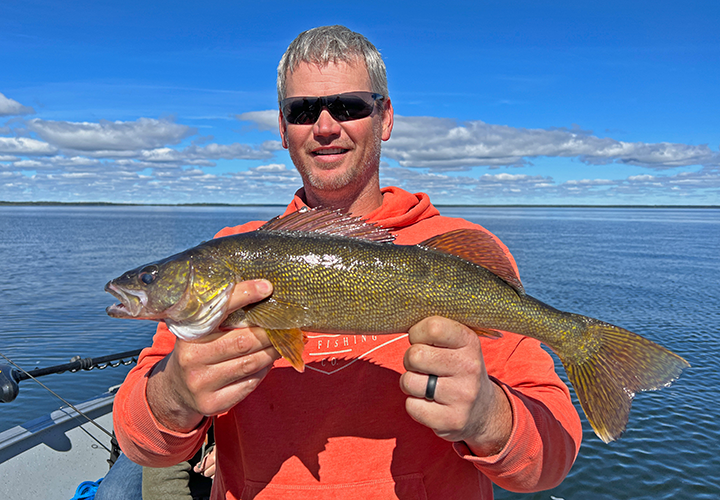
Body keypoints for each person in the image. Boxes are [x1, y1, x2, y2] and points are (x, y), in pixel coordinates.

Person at [113, 25, 582, 499]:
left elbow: (549, 463)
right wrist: (174, 394)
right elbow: (141, 443)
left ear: (385, 119)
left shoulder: (454, 247)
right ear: (282, 128)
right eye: (301, 110)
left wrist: (486, 416)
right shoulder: (228, 251)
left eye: (349, 106)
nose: (324, 126)